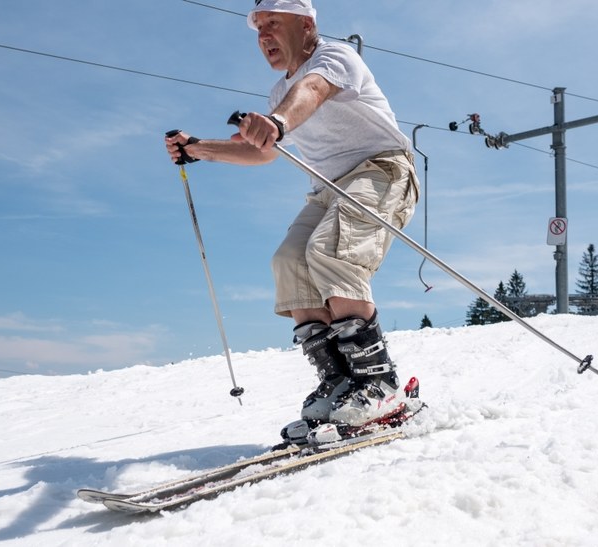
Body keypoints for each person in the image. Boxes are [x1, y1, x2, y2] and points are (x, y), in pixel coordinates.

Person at [164, 0, 420, 434]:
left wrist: (278, 122)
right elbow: (261, 151)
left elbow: (314, 92)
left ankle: (379, 384)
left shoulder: (335, 58)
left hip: (381, 169)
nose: (264, 36)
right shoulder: (278, 95)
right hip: (328, 187)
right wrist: (199, 148)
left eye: (272, 24)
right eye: (259, 29)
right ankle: (340, 381)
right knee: (289, 263)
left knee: (330, 251)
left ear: (305, 25)